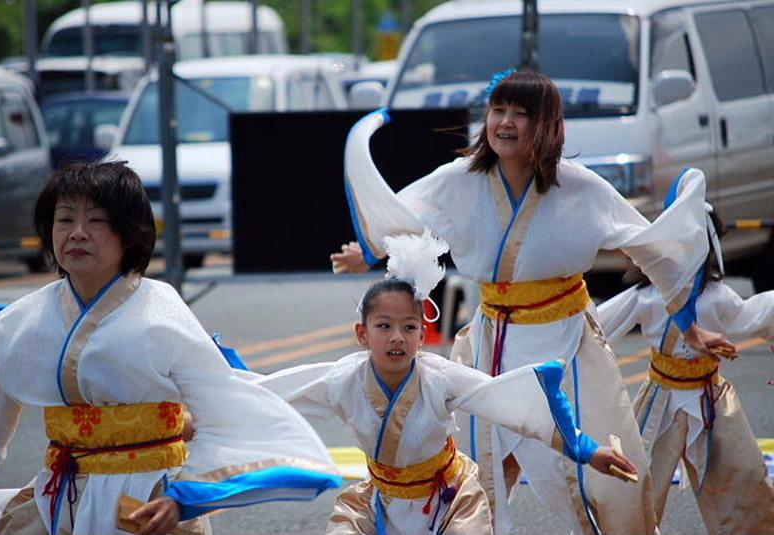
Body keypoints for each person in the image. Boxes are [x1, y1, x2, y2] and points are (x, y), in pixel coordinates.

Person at [330, 69, 736, 535]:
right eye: (497, 111)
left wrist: (689, 325)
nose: (504, 122)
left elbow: (652, 245)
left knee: (610, 473)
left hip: (566, 341)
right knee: (486, 468)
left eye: (520, 114)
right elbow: (403, 216)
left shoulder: (581, 187)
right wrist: (367, 250)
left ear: (547, 124)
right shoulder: (458, 180)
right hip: (492, 340)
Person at [0, 161, 342, 535]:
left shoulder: (160, 309)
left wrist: (183, 496)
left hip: (148, 493)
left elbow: (221, 403)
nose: (77, 233)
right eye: (64, 220)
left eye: (97, 221)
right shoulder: (27, 318)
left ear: (129, 234)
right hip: (60, 495)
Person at [250, 230, 636, 534]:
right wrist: (212, 408)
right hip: (378, 500)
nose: (397, 337)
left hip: (450, 501)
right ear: (362, 333)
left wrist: (587, 450)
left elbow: (508, 400)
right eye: (384, 326)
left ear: (422, 334)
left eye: (409, 327)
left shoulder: (439, 377)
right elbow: (277, 394)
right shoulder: (343, 379)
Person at [597, 202, 774, 534]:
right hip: (661, 401)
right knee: (637, 482)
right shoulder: (648, 297)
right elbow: (597, 326)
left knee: (743, 480)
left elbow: (760, 313)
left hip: (713, 401)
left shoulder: (718, 298)